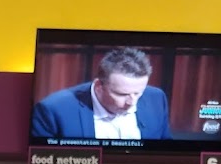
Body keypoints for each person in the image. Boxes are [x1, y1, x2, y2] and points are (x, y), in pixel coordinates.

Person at [31, 47, 171, 141]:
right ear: (99, 86)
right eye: (122, 94)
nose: (132, 103)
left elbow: (165, 152)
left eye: (138, 93)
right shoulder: (53, 110)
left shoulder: (156, 98)